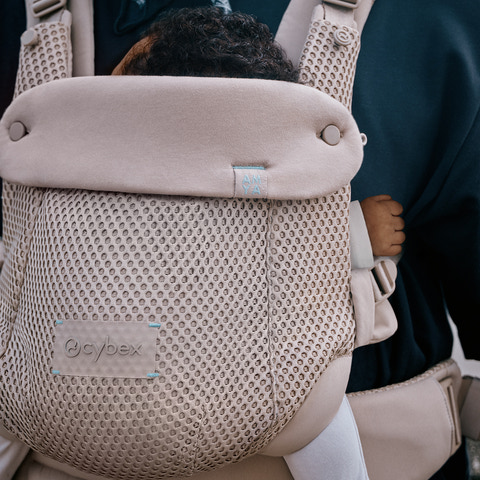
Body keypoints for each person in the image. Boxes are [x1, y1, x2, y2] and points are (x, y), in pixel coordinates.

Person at [0, 5, 404, 480]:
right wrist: (355, 232)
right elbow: (304, 247)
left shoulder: (69, 157)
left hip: (54, 374)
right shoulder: (276, 170)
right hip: (264, 384)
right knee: (318, 419)